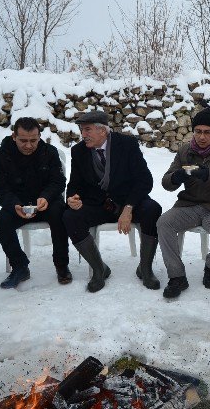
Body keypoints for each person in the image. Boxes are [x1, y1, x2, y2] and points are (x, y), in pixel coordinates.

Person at [62, 111, 162, 292]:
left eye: (87, 130)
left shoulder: (127, 145)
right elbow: (75, 183)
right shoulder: (78, 151)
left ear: (103, 131)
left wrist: (129, 207)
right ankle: (99, 269)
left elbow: (144, 180)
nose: (83, 135)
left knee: (152, 209)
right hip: (98, 205)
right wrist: (73, 197)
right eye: (81, 130)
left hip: (127, 200)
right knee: (70, 216)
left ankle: (145, 268)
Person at [157, 108, 210, 298]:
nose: (202, 137)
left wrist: (209, 174)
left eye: (207, 132)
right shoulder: (185, 151)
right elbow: (166, 182)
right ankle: (177, 276)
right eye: (198, 131)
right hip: (189, 205)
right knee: (164, 223)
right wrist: (176, 177)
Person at [0, 117, 71, 289]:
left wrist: (46, 197)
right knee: (1, 222)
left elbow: (58, 181)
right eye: (23, 141)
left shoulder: (49, 152)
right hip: (18, 204)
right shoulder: (0, 155)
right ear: (14, 136)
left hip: (46, 203)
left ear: (39, 136)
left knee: (61, 214)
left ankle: (61, 264)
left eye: (33, 140)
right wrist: (14, 204)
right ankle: (19, 266)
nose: (28, 145)